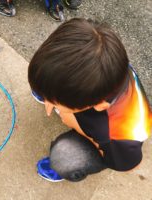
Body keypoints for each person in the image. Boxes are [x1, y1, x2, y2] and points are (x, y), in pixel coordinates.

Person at [28, 18, 152, 182]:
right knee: (47, 81)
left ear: (99, 106)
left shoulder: (117, 138)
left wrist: (75, 124)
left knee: (63, 158)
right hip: (94, 108)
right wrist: (54, 96)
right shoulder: (106, 65)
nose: (49, 101)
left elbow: (130, 165)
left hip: (109, 136)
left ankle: (70, 168)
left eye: (56, 101)